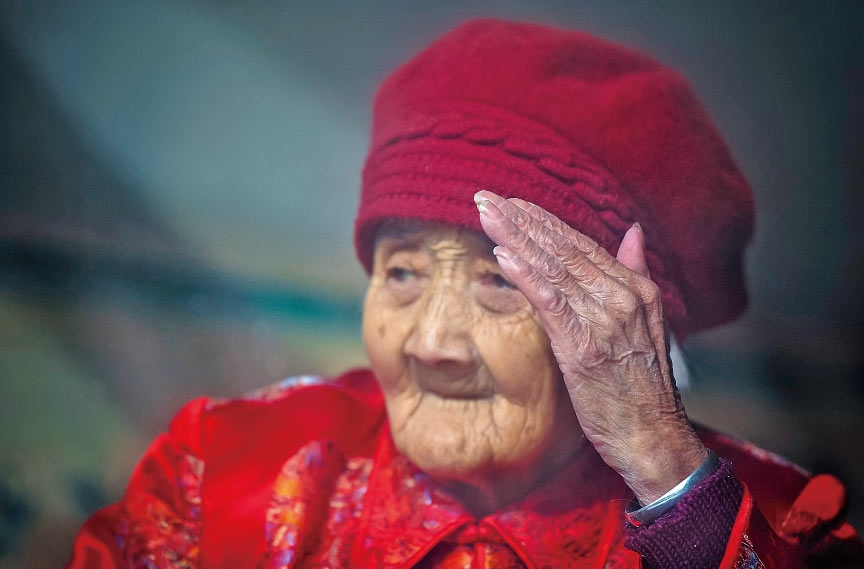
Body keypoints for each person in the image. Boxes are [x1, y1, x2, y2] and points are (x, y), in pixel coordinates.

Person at [66, 19, 863, 569]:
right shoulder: (221, 474)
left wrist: (663, 467)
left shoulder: (782, 521)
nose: (431, 344)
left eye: (499, 280)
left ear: (625, 323)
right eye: (402, 273)